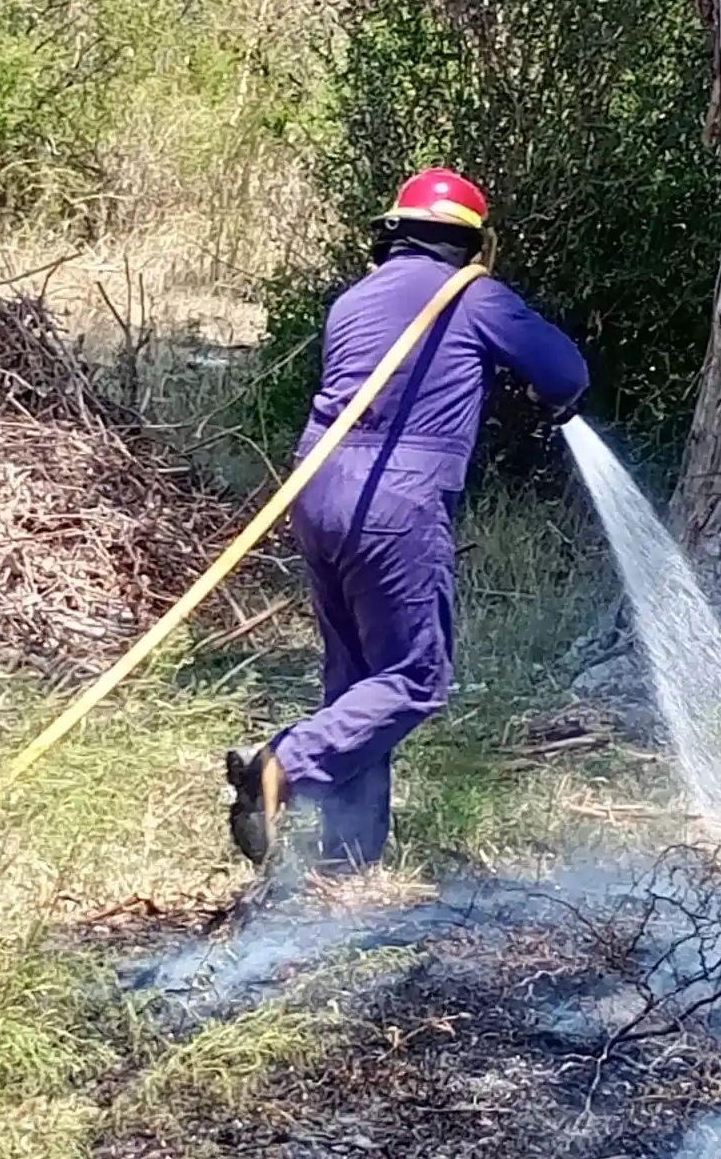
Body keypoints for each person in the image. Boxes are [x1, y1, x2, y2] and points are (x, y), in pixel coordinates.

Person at [226, 168, 588, 872]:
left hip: (317, 491)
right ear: (472, 244)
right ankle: (282, 765)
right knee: (415, 678)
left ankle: (347, 860)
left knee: (359, 684)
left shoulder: (353, 300)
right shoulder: (474, 294)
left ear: (394, 233)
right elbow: (564, 372)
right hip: (398, 502)